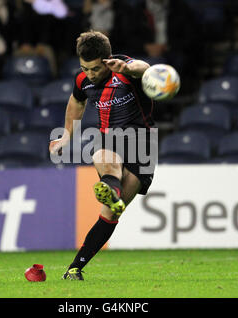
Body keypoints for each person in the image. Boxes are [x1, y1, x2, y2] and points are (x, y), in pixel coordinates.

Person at [49, 30, 157, 280]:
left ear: (107, 59)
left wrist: (127, 67)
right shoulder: (83, 81)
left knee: (112, 213)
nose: (90, 74)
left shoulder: (125, 69)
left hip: (142, 146)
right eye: (84, 68)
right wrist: (67, 135)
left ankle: (113, 194)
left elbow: (144, 68)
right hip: (111, 140)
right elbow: (76, 102)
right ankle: (73, 270)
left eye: (95, 69)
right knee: (102, 152)